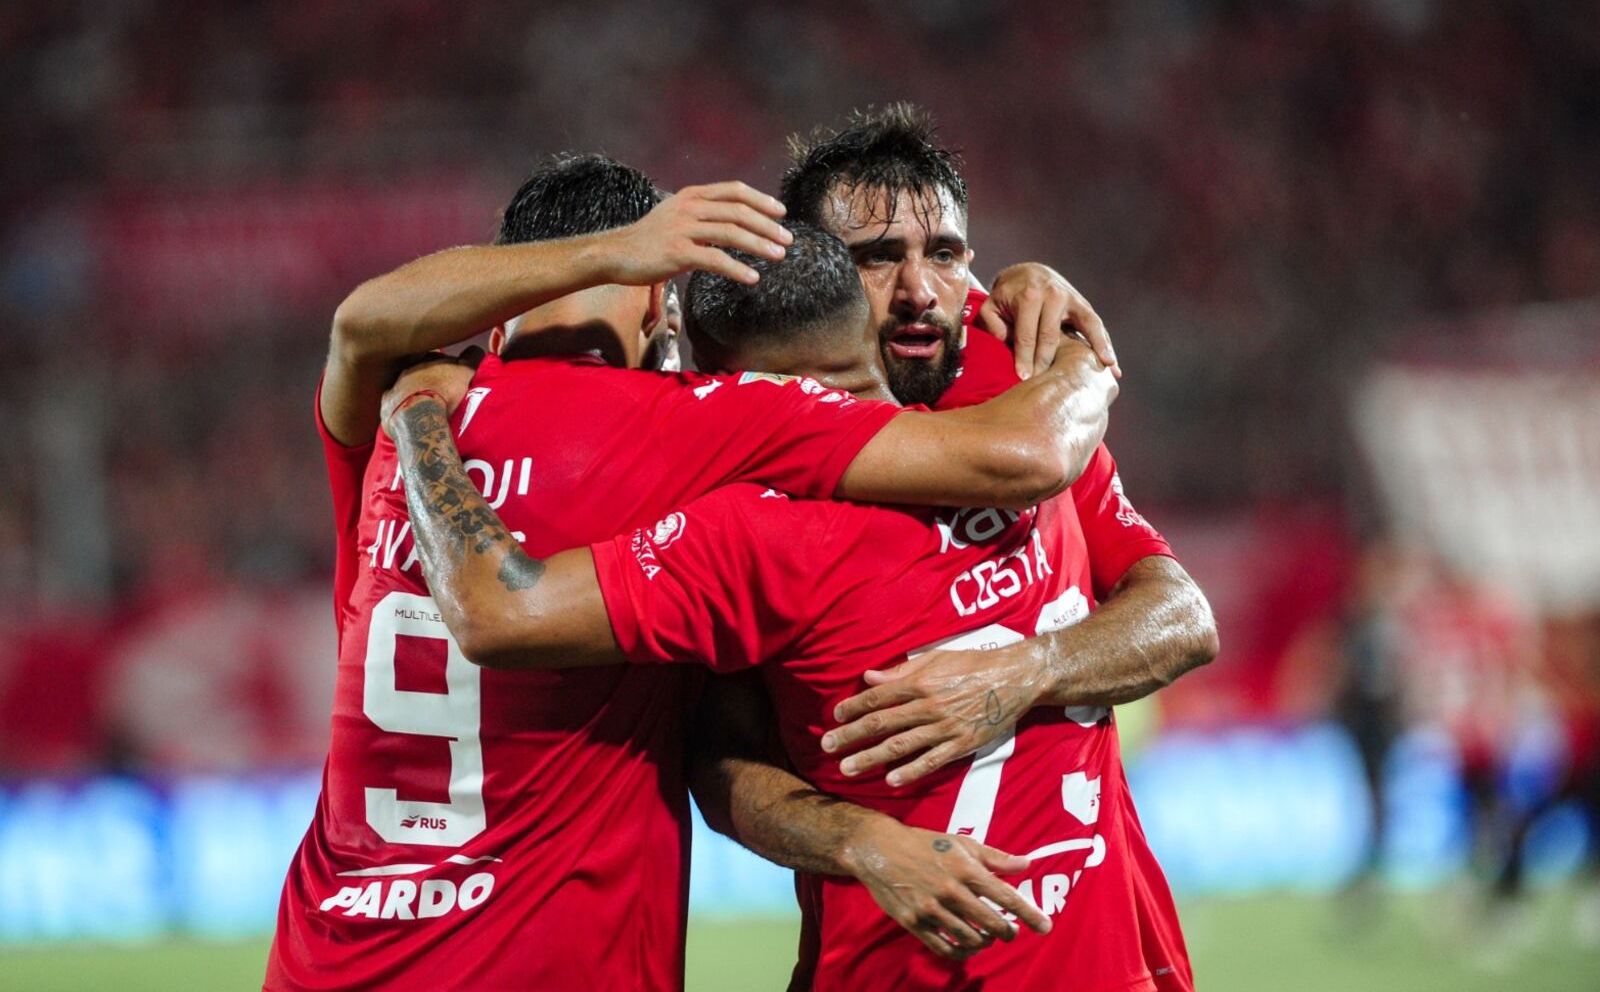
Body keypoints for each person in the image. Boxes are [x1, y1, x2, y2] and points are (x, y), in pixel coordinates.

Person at [266, 154, 1118, 991]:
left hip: (324, 953)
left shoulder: (397, 426)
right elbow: (1024, 453)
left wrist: (417, 399)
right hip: (544, 962)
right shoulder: (690, 426)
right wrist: (1065, 333)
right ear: (658, 311)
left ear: (496, 323)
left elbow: (359, 324)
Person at [771, 105, 1216, 800]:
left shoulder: (1016, 389)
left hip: (1101, 905)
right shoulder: (760, 448)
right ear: (811, 271)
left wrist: (1024, 671)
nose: (919, 292)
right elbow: (720, 753)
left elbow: (1184, 618)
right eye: (879, 258)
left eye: (943, 255)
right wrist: (853, 844)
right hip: (883, 905)